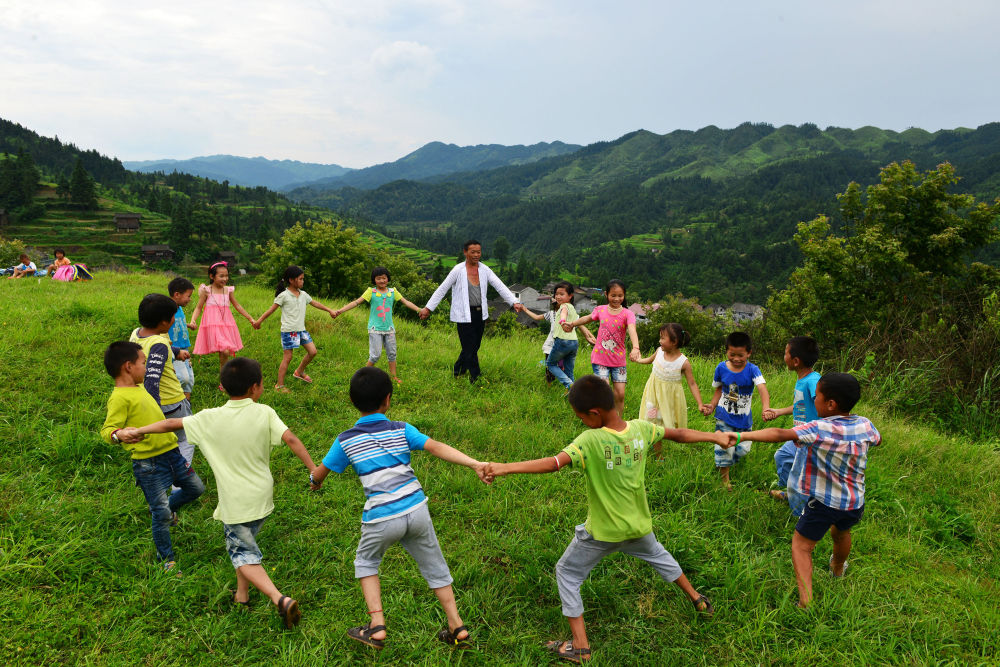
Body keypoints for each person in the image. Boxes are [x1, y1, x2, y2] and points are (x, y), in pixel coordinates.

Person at [483, 375, 724, 663]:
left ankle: (580, 647)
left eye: (582, 418)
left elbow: (553, 464)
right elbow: (680, 434)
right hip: (638, 526)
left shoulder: (590, 440)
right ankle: (697, 599)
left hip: (602, 533)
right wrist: (714, 436)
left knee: (567, 573)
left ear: (594, 413)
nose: (583, 423)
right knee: (659, 555)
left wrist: (504, 467)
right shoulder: (641, 429)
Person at [117, 357, 317, 628]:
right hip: (262, 495)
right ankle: (242, 596)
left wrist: (138, 430)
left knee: (241, 553)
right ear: (255, 388)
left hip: (236, 502)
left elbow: (169, 425)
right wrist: (313, 470)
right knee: (245, 544)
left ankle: (279, 599)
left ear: (223, 386)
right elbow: (291, 439)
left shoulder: (208, 418)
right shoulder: (265, 412)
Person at [309, 367, 490, 650]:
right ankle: (457, 625)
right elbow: (436, 447)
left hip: (381, 516)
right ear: (388, 399)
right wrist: (474, 463)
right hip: (417, 508)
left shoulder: (346, 440)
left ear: (352, 401)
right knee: (434, 564)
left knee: (366, 562)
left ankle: (377, 625)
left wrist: (314, 481)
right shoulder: (401, 429)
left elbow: (320, 473)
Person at [722, 372, 880, 608]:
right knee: (842, 533)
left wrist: (740, 435)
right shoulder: (865, 424)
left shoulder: (819, 428)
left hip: (823, 503)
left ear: (830, 404)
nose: (814, 401)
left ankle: (805, 601)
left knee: (801, 546)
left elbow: (779, 434)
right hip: (854, 502)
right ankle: (837, 569)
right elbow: (877, 439)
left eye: (817, 397)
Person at [99, 341, 205, 575]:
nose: (146, 368)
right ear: (128, 366)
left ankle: (167, 508)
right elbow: (107, 430)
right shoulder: (119, 397)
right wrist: (119, 434)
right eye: (143, 363)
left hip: (172, 454)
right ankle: (166, 559)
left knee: (196, 488)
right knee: (160, 514)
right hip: (149, 464)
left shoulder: (140, 387)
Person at [419, 240, 522, 384]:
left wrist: (514, 301)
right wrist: (428, 308)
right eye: (473, 252)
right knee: (469, 347)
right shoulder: (458, 270)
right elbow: (442, 289)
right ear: (465, 252)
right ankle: (476, 378)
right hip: (463, 315)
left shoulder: (485, 269)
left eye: (478, 252)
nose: (476, 255)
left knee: (474, 346)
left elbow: (499, 286)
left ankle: (458, 370)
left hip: (480, 314)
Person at [700, 331, 770, 490]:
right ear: (726, 351)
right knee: (724, 446)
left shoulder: (752, 369)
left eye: (741, 355)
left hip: (744, 419)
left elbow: (762, 389)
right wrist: (712, 405)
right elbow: (718, 389)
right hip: (724, 416)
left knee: (743, 449)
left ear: (749, 353)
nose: (736, 359)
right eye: (732, 354)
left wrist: (766, 408)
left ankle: (725, 461)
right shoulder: (721, 368)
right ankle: (725, 479)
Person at [130, 293, 195, 466]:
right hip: (171, 403)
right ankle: (181, 476)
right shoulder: (160, 343)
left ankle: (162, 466)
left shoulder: (136, 334)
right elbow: (152, 379)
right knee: (186, 438)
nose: (175, 319)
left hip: (148, 400)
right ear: (164, 322)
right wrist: (152, 412)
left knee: (162, 440)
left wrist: (176, 352)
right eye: (173, 316)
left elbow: (151, 349)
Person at [253, 265, 336, 393]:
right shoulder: (284, 295)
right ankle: (279, 386)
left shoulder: (303, 294)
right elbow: (271, 310)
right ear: (291, 280)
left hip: (301, 330)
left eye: (303, 279)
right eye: (301, 279)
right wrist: (259, 321)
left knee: (313, 352)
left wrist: (329, 310)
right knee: (288, 357)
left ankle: (299, 371)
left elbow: (315, 303)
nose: (303, 281)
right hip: (289, 331)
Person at [564, 279, 640, 417]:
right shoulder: (601, 310)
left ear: (624, 295)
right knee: (604, 392)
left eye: (620, 296)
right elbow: (587, 318)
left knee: (620, 394)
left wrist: (636, 348)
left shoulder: (628, 314)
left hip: (618, 361)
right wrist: (573, 324)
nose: (617, 299)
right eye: (613, 295)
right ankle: (603, 419)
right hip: (600, 359)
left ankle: (617, 421)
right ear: (606, 294)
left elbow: (632, 329)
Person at [762, 336, 821, 515]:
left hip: (810, 438)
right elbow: (800, 406)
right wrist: (779, 411)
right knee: (782, 456)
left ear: (795, 361)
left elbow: (821, 403)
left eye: (785, 353)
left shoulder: (813, 381)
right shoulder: (803, 379)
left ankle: (801, 513)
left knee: (801, 475)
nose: (784, 356)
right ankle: (792, 493)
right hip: (798, 436)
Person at [333, 266, 422, 385]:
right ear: (374, 280)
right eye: (378, 278)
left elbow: (406, 302)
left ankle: (393, 377)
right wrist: (341, 310)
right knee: (375, 355)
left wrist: (419, 310)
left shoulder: (393, 292)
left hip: (389, 329)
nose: (382, 281)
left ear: (388, 279)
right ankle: (361, 376)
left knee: (392, 354)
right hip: (375, 329)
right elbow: (356, 302)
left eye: (384, 278)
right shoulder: (371, 292)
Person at [521, 281, 596, 391]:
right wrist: (590, 337)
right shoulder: (567, 311)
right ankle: (571, 391)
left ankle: (569, 385)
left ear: (570, 296)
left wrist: (563, 321)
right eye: (556, 294)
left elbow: (565, 315)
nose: (558, 297)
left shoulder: (565, 308)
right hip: (570, 343)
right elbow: (581, 324)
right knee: (567, 370)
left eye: (561, 294)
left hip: (561, 342)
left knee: (551, 365)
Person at [190, 261, 255, 385]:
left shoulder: (228, 290)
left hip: (226, 325)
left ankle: (223, 381)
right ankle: (225, 381)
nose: (225, 279)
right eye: (221, 276)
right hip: (212, 325)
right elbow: (199, 307)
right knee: (225, 351)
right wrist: (193, 319)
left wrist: (250, 318)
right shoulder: (206, 290)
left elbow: (237, 306)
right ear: (212, 276)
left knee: (224, 353)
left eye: (226, 275)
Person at [636, 323, 705, 431]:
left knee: (667, 422)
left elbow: (692, 383)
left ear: (674, 342)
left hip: (669, 399)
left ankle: (666, 438)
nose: (660, 341)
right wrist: (639, 360)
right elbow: (649, 360)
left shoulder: (683, 363)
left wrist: (700, 404)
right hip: (653, 394)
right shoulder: (659, 351)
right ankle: (651, 438)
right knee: (651, 418)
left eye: (663, 338)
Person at [167, 277, 197, 401]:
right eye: (188, 296)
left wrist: (188, 325)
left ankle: (186, 405)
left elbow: (177, 322)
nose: (190, 299)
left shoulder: (179, 308)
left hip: (184, 347)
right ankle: (173, 400)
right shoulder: (167, 310)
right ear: (177, 294)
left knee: (189, 379)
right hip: (175, 349)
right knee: (182, 378)